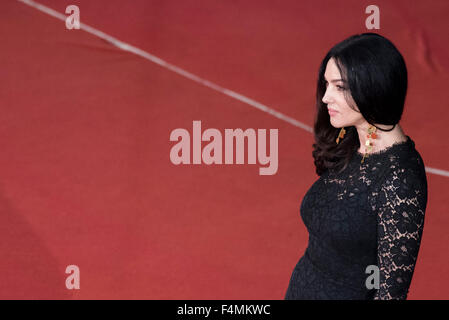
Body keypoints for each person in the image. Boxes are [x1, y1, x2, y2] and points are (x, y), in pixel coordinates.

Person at [284, 33, 428, 300]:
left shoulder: (400, 178)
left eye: (339, 87)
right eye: (326, 84)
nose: (326, 97)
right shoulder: (351, 140)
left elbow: (390, 294)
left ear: (373, 87)